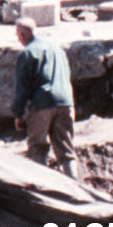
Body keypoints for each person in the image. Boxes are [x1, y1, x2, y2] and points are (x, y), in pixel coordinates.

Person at [12, 19, 77, 177]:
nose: (18, 39)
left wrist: (18, 114)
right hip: (66, 102)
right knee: (66, 150)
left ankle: (42, 190)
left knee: (37, 148)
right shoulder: (57, 49)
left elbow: (22, 88)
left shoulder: (28, 53)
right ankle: (77, 190)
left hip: (42, 104)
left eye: (17, 35)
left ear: (22, 34)